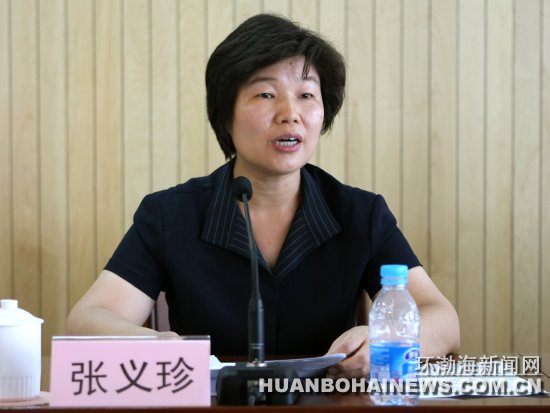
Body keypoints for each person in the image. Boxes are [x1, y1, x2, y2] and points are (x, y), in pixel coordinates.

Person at [67, 13, 460, 378]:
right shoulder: (170, 214)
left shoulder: (360, 213)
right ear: (225, 115)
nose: (290, 113)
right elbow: (87, 320)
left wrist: (388, 340)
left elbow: (443, 319)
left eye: (306, 95)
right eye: (266, 95)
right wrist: (155, 344)